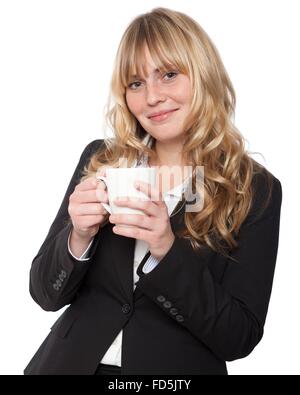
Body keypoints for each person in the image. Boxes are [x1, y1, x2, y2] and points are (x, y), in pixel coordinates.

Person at [24, 7, 282, 375]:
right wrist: (78, 237)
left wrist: (166, 250)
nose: (152, 97)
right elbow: (44, 294)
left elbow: (239, 337)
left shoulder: (256, 189)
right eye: (136, 83)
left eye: (169, 75)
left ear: (203, 75)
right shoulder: (102, 159)